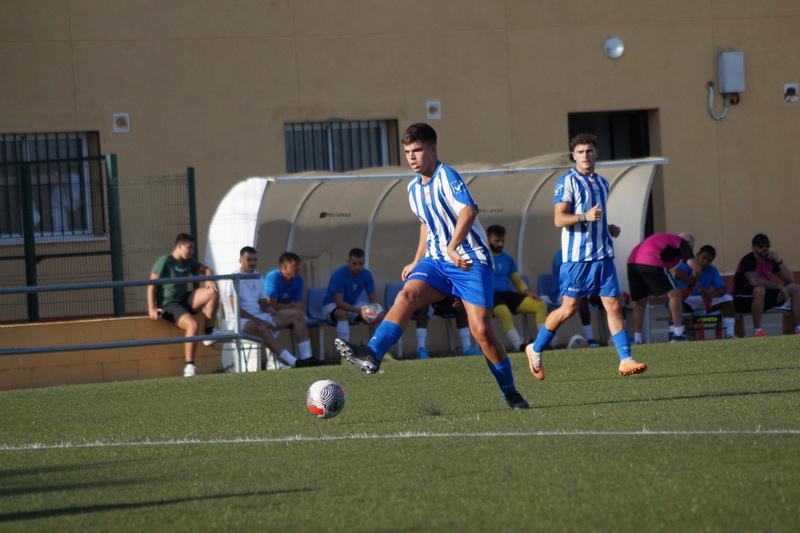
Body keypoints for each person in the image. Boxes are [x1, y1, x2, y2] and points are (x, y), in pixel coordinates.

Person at [334, 122, 529, 409]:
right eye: (407, 152)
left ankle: (510, 392)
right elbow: (426, 224)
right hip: (437, 261)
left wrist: (452, 247)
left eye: (417, 150)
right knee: (406, 295)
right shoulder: (413, 189)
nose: (411, 157)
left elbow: (468, 210)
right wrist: (416, 259)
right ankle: (372, 353)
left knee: (482, 332)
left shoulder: (446, 175)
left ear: (433, 149)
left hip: (468, 261)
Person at [524, 133, 647, 378]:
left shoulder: (603, 183)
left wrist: (608, 228)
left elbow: (597, 216)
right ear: (573, 155)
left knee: (613, 305)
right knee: (568, 309)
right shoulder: (566, 182)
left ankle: (626, 359)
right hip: (577, 260)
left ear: (596, 153)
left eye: (589, 150)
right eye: (580, 152)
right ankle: (535, 348)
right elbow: (559, 219)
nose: (585, 155)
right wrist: (585, 217)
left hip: (603, 256)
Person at [147, 233, 228, 377]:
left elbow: (207, 270)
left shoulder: (188, 261)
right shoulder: (165, 260)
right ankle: (189, 366)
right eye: (189, 248)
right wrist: (152, 308)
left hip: (185, 299)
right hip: (169, 304)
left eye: (193, 248)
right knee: (193, 325)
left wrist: (209, 279)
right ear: (179, 246)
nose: (192, 251)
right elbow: (151, 285)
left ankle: (209, 332)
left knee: (212, 291)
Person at [227, 246, 318, 367]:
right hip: (241, 321)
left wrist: (269, 309)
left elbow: (264, 302)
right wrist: (262, 321)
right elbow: (237, 311)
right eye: (249, 260)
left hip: (259, 316)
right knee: (261, 328)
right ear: (240, 260)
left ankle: (307, 358)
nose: (253, 263)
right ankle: (293, 362)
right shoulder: (234, 278)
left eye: (255, 260)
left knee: (297, 314)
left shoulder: (257, 276)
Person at [485, 224, 548, 352]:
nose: (500, 244)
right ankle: (520, 346)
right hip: (491, 296)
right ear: (488, 239)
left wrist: (528, 292)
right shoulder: (483, 258)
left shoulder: (507, 259)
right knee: (504, 313)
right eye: (497, 241)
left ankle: (543, 343)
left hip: (507, 294)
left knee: (540, 305)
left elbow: (516, 280)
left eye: (502, 241)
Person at [628, 233, 700, 343]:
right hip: (651, 261)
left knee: (640, 301)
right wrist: (693, 282)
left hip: (632, 262)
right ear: (689, 244)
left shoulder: (667, 240)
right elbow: (696, 269)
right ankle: (678, 334)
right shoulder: (682, 243)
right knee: (675, 295)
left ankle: (637, 339)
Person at [732, 233, 800, 337]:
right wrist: (779, 286)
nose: (765, 248)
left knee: (795, 287)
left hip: (761, 298)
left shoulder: (770, 260)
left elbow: (790, 279)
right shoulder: (748, 260)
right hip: (741, 299)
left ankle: (798, 328)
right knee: (759, 289)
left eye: (767, 246)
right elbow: (754, 281)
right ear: (754, 248)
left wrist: (779, 262)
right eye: (761, 246)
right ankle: (757, 331)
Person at [673, 244, 737, 339]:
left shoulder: (712, 270)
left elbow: (722, 289)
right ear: (698, 255)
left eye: (709, 260)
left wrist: (711, 295)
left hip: (703, 300)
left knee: (728, 299)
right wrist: (694, 284)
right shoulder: (688, 263)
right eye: (704, 258)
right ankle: (681, 334)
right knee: (677, 302)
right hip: (687, 299)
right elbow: (678, 272)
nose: (705, 262)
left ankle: (729, 334)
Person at [321, 248, 384, 342]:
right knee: (342, 313)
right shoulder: (338, 275)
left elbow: (373, 296)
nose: (358, 267)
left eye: (361, 264)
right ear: (348, 262)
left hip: (353, 304)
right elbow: (339, 302)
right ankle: (345, 351)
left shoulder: (366, 274)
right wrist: (359, 311)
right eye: (354, 264)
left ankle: (379, 348)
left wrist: (381, 309)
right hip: (331, 305)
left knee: (376, 314)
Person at [547, 249, 603, 347]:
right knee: (581, 299)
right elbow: (569, 276)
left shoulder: (586, 253)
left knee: (614, 299)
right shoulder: (562, 254)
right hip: (561, 292)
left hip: (584, 289)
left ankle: (620, 338)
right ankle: (590, 338)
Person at [414, 296, 483, 358]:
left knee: (460, 307)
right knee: (422, 306)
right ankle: (420, 349)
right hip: (425, 304)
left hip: (441, 303)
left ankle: (467, 348)